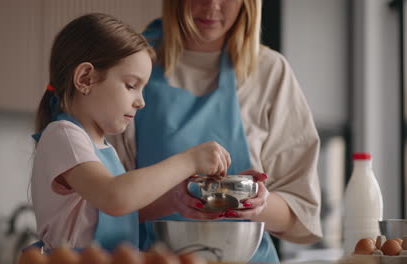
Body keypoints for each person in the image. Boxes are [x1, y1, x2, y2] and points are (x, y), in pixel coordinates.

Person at [107, 0, 323, 262]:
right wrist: (172, 202)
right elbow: (100, 206)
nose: (212, 6)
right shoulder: (132, 65)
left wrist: (257, 204)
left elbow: (301, 213)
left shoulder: (269, 71)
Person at [29, 13, 232, 252]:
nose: (141, 102)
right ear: (86, 78)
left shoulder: (102, 146)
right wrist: (189, 161)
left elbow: (119, 214)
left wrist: (175, 200)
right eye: (131, 86)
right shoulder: (63, 135)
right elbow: (114, 198)